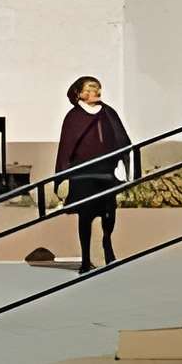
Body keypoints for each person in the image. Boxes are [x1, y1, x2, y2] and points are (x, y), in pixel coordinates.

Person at [53, 74, 133, 272]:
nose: (93, 93)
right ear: (79, 94)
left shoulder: (108, 113)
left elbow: (122, 139)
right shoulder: (74, 116)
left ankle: (107, 244)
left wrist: (123, 164)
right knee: (85, 215)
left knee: (109, 213)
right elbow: (66, 147)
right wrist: (62, 177)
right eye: (88, 90)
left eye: (96, 89)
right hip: (83, 174)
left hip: (106, 171)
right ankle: (86, 259)